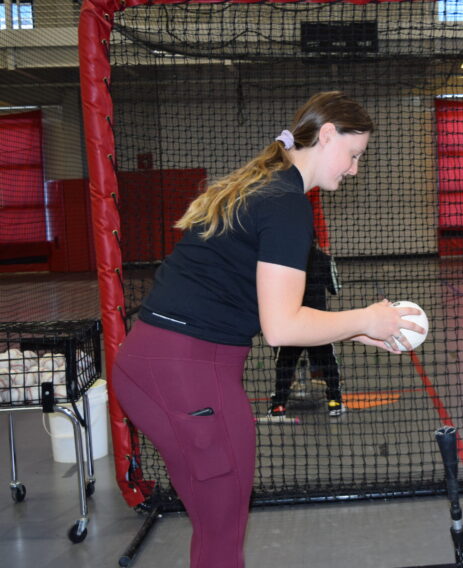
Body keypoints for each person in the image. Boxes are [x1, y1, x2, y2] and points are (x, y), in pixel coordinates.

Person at [110, 91, 424, 568]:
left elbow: (264, 305)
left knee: (213, 522)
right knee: (222, 535)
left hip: (146, 365)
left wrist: (349, 330)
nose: (355, 169)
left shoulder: (267, 186)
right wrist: (367, 317)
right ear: (326, 135)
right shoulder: (286, 203)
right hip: (191, 373)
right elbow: (281, 327)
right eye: (354, 155)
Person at [268, 237, 344, 419]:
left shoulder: (284, 260)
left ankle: (279, 406)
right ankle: (335, 402)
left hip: (293, 323)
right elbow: (335, 288)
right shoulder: (324, 259)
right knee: (328, 363)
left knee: (285, 364)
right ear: (315, 241)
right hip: (317, 324)